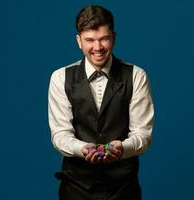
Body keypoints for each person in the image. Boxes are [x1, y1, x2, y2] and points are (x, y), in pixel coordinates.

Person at [48, 5, 154, 200]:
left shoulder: (136, 76)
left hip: (123, 189)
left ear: (113, 37)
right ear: (79, 41)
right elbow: (60, 134)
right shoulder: (60, 78)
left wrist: (123, 148)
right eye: (90, 40)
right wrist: (82, 148)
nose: (97, 47)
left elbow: (143, 135)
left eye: (104, 38)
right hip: (76, 188)